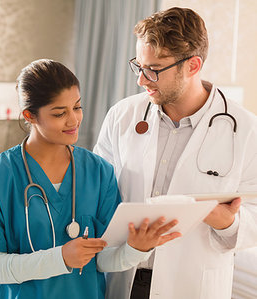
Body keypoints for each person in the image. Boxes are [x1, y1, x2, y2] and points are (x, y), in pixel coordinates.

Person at [0, 59, 180, 299]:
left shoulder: (99, 172)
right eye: (59, 113)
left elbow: (103, 260)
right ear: (30, 115)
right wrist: (61, 258)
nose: (73, 120)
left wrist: (137, 249)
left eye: (77, 107)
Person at [94, 7, 257, 299]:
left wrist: (224, 219)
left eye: (154, 69)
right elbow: (97, 191)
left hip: (191, 284)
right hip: (123, 276)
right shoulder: (122, 115)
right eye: (139, 66)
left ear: (192, 66)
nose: (141, 80)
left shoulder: (246, 130)